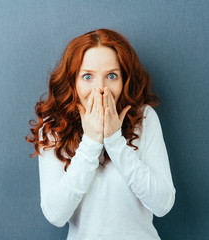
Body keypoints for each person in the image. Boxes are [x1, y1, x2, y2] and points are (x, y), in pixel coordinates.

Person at [26, 28, 176, 239]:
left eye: (111, 76)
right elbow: (55, 215)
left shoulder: (144, 118)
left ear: (123, 80)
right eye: (87, 76)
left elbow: (163, 205)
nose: (100, 89)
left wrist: (115, 141)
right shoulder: (53, 127)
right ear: (73, 81)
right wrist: (91, 142)